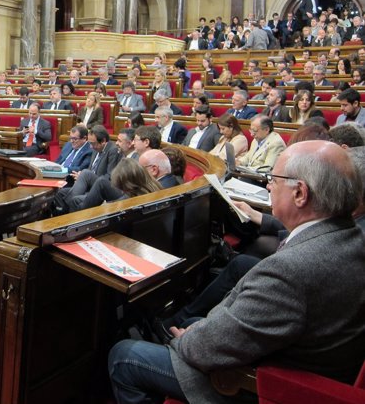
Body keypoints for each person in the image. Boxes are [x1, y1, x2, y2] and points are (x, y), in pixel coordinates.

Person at [109, 140, 365, 404]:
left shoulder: (290, 270)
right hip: (307, 360)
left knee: (125, 356)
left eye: (273, 179)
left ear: (300, 193)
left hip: (258, 383)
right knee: (187, 324)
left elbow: (206, 348)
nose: (268, 186)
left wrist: (185, 341)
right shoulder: (353, 239)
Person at [51, 125, 122, 216]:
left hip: (101, 185)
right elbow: (90, 169)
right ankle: (59, 219)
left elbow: (109, 176)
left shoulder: (112, 150)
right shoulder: (95, 148)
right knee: (60, 193)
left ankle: (67, 211)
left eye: (93, 144)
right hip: (89, 183)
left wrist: (85, 176)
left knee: (85, 174)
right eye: (90, 143)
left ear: (103, 141)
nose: (91, 147)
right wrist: (81, 176)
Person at [64, 158, 162, 213]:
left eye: (122, 188)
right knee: (76, 200)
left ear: (129, 185)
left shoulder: (134, 199)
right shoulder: (151, 185)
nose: (122, 190)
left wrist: (105, 206)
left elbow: (118, 205)